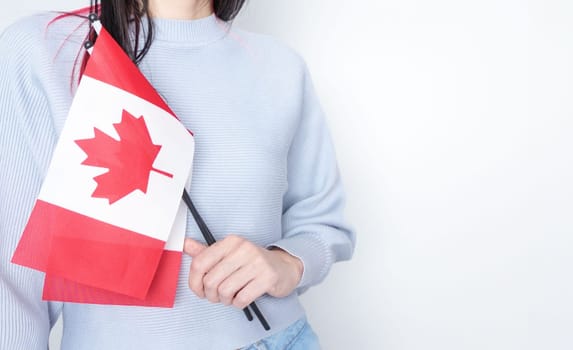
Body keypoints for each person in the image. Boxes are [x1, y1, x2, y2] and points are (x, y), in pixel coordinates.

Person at [0, 0, 356, 349]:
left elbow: (321, 224)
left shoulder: (281, 66)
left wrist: (287, 262)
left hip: (282, 338)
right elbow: (12, 278)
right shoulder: (47, 48)